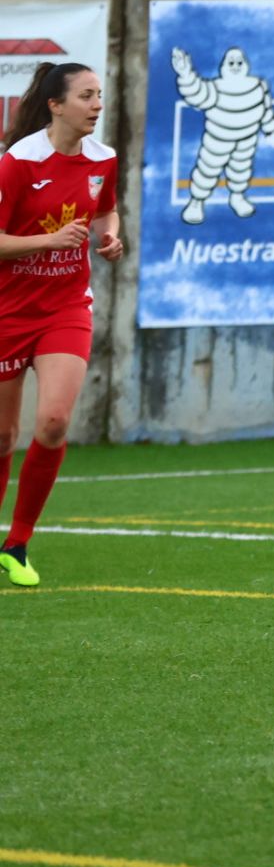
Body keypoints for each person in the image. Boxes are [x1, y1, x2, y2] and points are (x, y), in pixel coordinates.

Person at [0, 62, 124, 586]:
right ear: (55, 104)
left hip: (66, 306)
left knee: (52, 421)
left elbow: (105, 210)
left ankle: (19, 543)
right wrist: (45, 243)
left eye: (100, 95)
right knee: (2, 436)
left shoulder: (103, 158)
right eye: (86, 96)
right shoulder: (17, 163)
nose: (97, 105)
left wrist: (111, 235)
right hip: (8, 309)